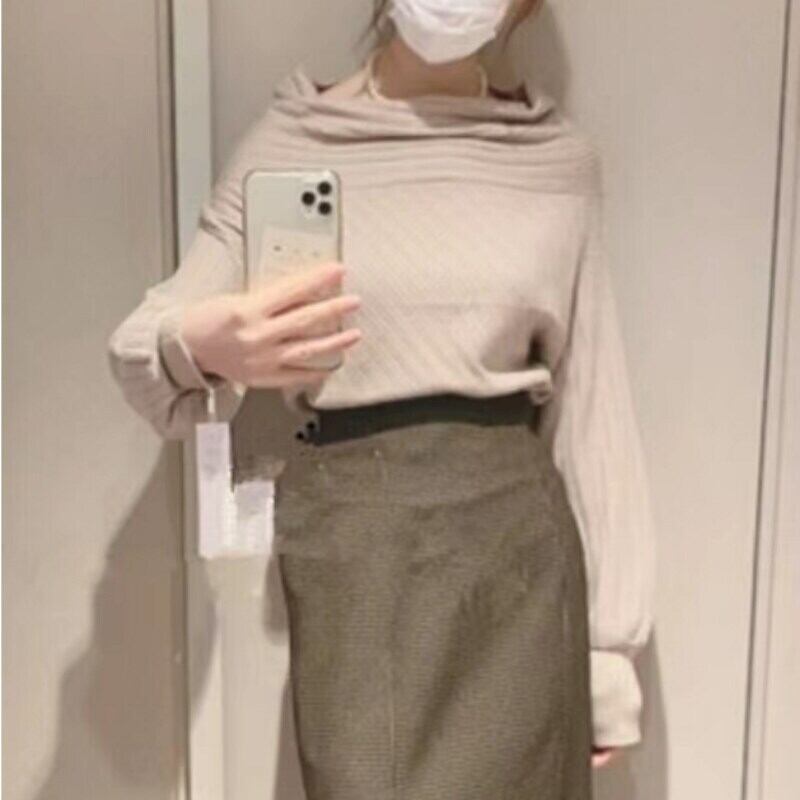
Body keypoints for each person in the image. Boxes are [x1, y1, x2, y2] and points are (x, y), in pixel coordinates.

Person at [108, 0, 657, 796]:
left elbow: (593, 399)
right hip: (357, 560)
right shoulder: (294, 143)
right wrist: (200, 343)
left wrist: (611, 650)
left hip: (518, 566)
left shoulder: (554, 161)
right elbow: (140, 349)